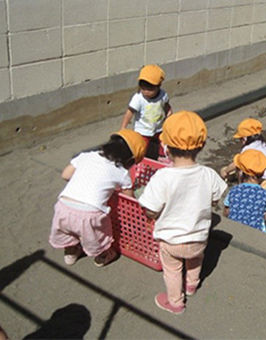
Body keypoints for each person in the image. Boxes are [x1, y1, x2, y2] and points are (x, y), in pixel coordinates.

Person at [138, 111, 227, 315]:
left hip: (171, 240)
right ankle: (192, 285)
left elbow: (150, 209)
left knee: (172, 270)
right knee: (195, 260)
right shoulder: (208, 174)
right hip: (198, 237)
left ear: (166, 147)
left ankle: (176, 302)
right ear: (202, 145)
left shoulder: (163, 177)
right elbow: (215, 199)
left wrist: (153, 216)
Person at [49, 129, 147, 267]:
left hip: (63, 206)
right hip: (89, 213)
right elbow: (129, 200)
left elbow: (65, 175)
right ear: (130, 160)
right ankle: (103, 256)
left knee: (67, 231)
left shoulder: (86, 156)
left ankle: (71, 253)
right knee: (95, 237)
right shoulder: (122, 173)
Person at [220, 118, 266, 202]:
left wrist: (226, 171)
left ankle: (245, 190)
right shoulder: (264, 145)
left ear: (244, 139)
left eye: (240, 139)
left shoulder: (248, 149)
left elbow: (236, 163)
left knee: (242, 168)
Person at [120, 64, 172, 160]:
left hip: (158, 128)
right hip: (142, 130)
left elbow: (167, 107)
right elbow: (129, 113)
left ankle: (160, 160)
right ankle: (140, 162)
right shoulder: (138, 98)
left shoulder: (163, 95)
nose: (146, 91)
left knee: (161, 146)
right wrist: (123, 127)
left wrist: (169, 117)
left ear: (158, 86)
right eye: (143, 88)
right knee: (141, 148)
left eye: (150, 89)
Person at [223, 149, 266, 236]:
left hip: (232, 229)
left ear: (240, 172)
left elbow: (226, 211)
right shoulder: (265, 194)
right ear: (262, 172)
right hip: (254, 234)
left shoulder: (234, 190)